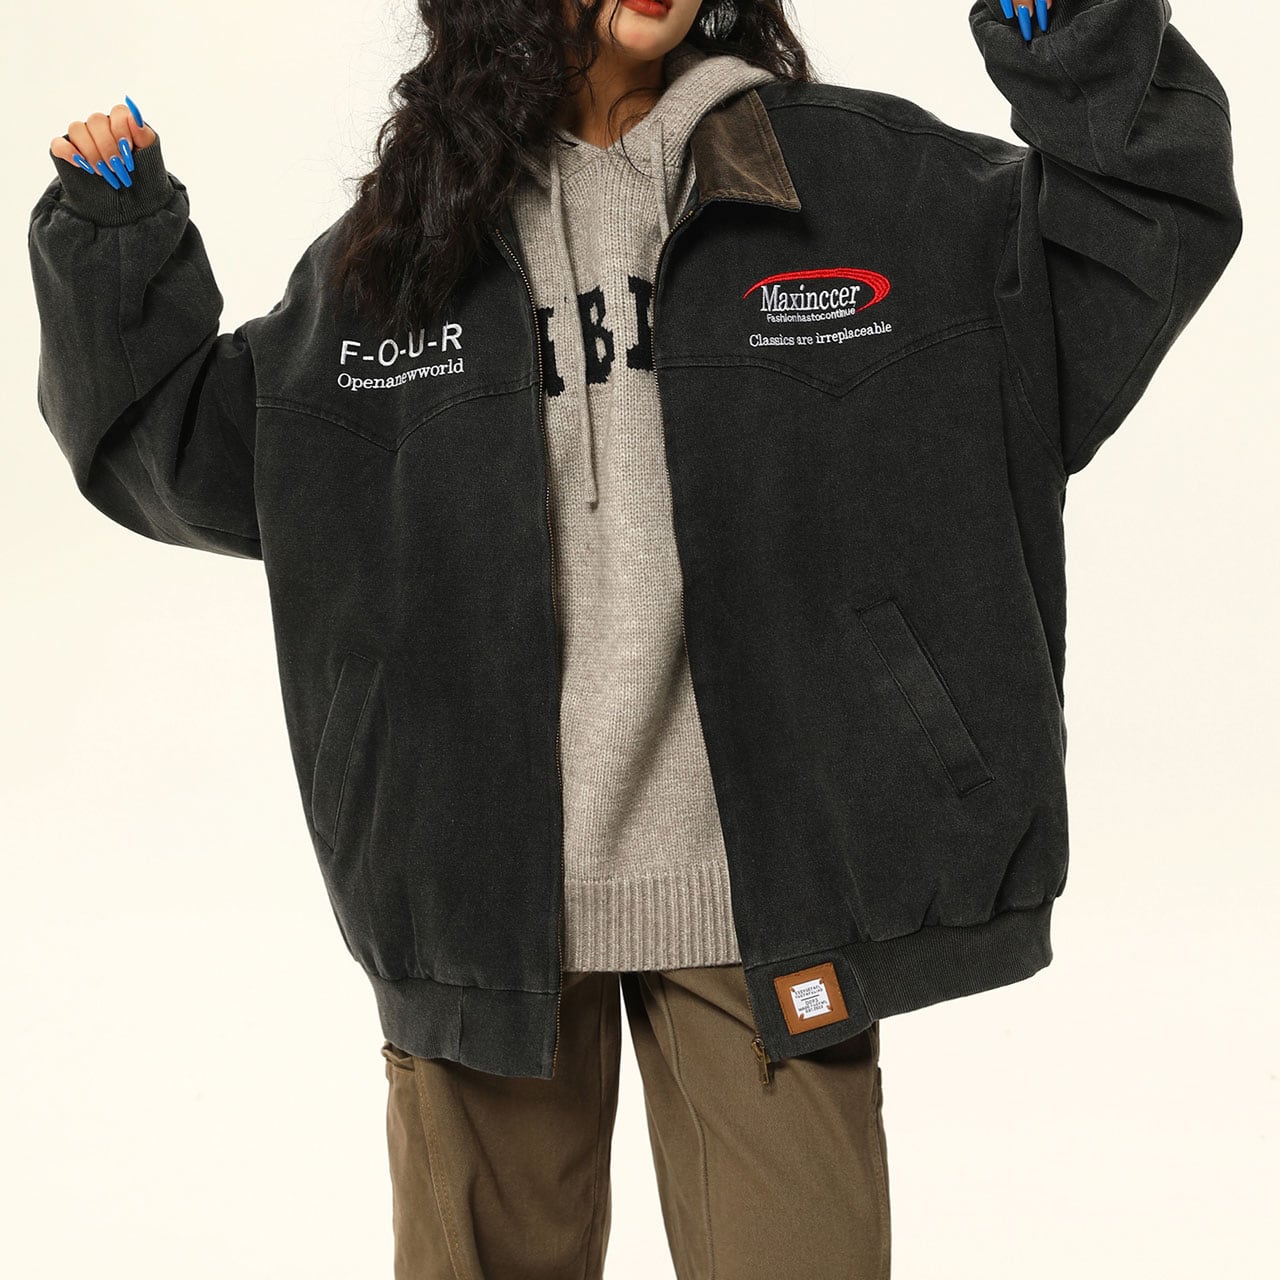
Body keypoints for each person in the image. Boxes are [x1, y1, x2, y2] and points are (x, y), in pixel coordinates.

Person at [30, 1, 1240, 1275]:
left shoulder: (866, 188)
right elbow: (194, 452)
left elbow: (1129, 238)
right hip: (480, 906)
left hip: (766, 896)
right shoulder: (398, 252)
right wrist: (116, 242)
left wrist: (1076, 40)